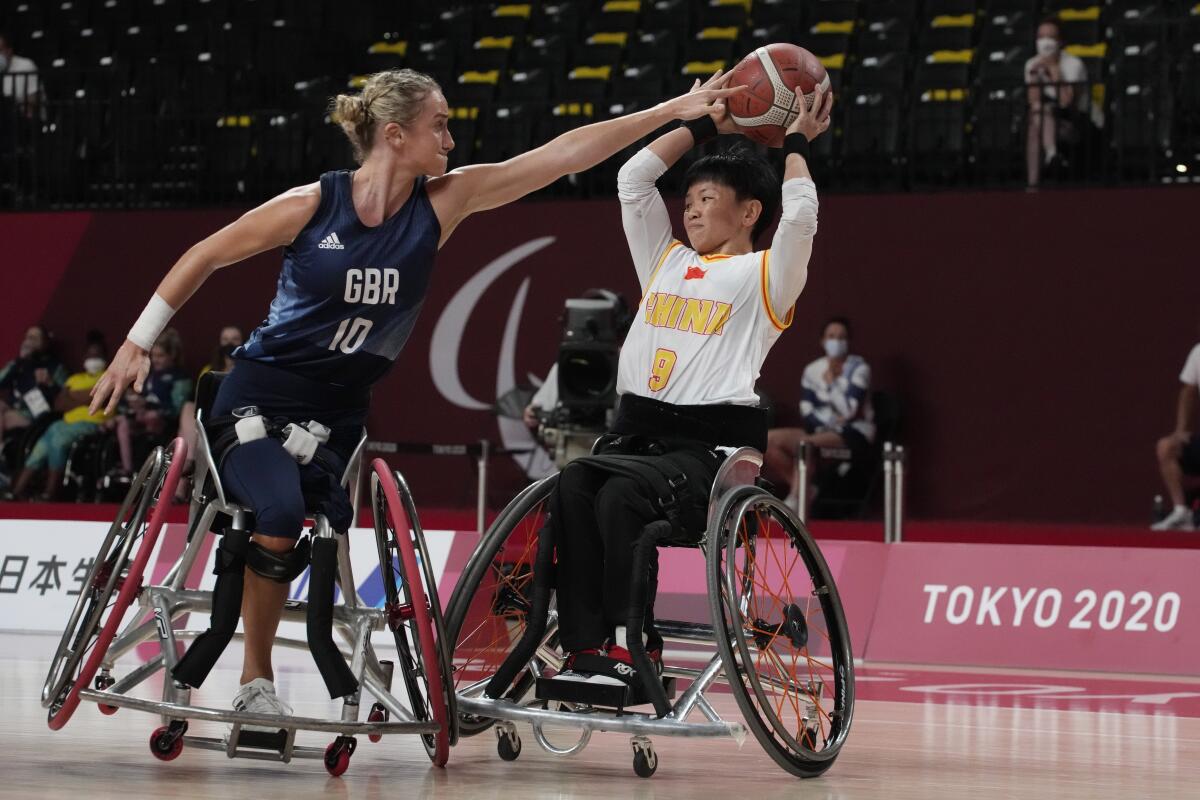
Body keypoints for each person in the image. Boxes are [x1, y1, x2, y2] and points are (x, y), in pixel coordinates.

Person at [87, 67, 744, 722]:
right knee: (280, 514)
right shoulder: (313, 206)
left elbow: (559, 156)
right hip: (260, 398)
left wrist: (675, 110)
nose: (452, 140)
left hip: (336, 415)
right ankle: (255, 677)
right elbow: (204, 253)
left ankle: (278, 653)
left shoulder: (442, 205)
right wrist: (138, 342)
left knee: (303, 520)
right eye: (441, 125)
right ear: (395, 135)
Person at [549, 77, 832, 685]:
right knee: (574, 482)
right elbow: (633, 180)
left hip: (706, 457)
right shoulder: (666, 261)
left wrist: (796, 144)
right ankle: (582, 646)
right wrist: (705, 124)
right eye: (691, 201)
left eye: (707, 198)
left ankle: (633, 644)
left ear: (750, 211)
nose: (693, 209)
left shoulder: (765, 276)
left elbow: (802, 217)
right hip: (633, 443)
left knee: (621, 498)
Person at [764, 316, 875, 510]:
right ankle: (804, 489)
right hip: (818, 429)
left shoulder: (859, 369)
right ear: (823, 341)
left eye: (841, 337)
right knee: (768, 440)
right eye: (832, 336)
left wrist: (832, 382)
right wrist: (829, 421)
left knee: (805, 444)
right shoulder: (813, 370)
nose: (836, 342)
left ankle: (795, 502)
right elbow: (807, 410)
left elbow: (849, 411)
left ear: (848, 342)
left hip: (854, 433)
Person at [8, 338, 112, 501]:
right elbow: (59, 404)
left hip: (92, 423)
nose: (93, 358)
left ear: (105, 357)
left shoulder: (109, 377)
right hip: (66, 422)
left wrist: (72, 396)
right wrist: (84, 396)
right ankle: (16, 491)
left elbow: (99, 399)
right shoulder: (74, 379)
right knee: (42, 444)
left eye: (97, 354)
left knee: (56, 436)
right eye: (90, 354)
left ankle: (50, 492)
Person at [175, 325, 243, 500]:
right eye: (225, 340)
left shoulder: (246, 368)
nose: (229, 343)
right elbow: (198, 400)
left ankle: (184, 475)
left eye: (234, 339)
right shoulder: (209, 370)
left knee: (186, 432)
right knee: (188, 409)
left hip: (232, 419)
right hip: (205, 418)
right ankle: (189, 463)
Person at [1024, 18, 1091, 188]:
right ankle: (1051, 154)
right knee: (1037, 115)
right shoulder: (1031, 64)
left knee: (1037, 121)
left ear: (1060, 42)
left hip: (1074, 122)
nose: (1045, 42)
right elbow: (1033, 101)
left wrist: (1055, 71)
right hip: (1044, 120)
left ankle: (1033, 184)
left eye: (1050, 37)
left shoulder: (1074, 64)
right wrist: (1034, 77)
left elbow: (1067, 103)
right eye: (1041, 37)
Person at [1153, 341, 1200, 531]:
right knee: (1167, 447)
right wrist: (1180, 430)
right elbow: (1188, 392)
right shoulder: (1198, 352)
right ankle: (1182, 512)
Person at [0, 324, 66, 440]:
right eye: (27, 338)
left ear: (44, 343)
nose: (29, 342)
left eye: (34, 338)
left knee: (6, 418)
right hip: (14, 408)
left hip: (36, 417)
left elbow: (65, 399)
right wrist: (19, 361)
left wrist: (50, 383)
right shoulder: (18, 364)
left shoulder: (55, 368)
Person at [0, 31, 39, 115]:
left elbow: (33, 101)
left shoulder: (26, 66)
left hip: (21, 121)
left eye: (0, 50)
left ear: (9, 50)